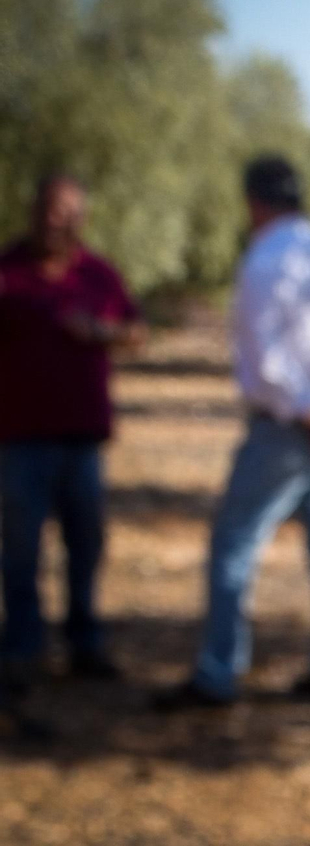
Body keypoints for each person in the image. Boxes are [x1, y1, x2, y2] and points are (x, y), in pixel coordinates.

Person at [156, 155, 310, 709]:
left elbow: (269, 360)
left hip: (286, 430)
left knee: (234, 545)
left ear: (253, 202)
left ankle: (217, 673)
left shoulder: (264, 262)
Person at [0, 174, 145, 690]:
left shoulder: (98, 275)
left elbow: (136, 331)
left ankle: (85, 641)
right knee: (20, 548)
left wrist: (99, 332)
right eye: (46, 208)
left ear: (79, 217)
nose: (53, 219)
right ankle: (22, 646)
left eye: (64, 211)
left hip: (82, 437)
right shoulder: (7, 271)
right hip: (18, 437)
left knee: (85, 545)